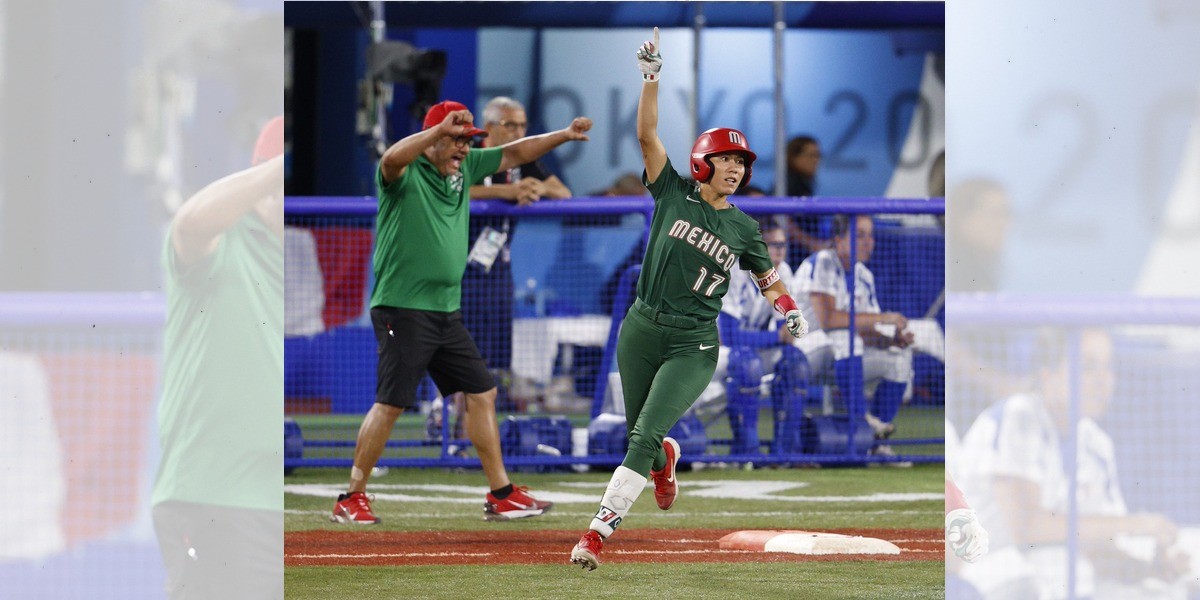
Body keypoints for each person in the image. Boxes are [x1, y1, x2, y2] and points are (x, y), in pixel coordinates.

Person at [569, 28, 809, 571]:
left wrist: (788, 308)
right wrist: (651, 77)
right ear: (704, 161)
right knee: (643, 436)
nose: (737, 169)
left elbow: (767, 279)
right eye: (727, 159)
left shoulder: (746, 228)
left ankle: (596, 536)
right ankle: (665, 461)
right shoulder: (673, 191)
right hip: (641, 328)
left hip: (693, 342)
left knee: (643, 434)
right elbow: (647, 135)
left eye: (742, 163)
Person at [332, 100, 592, 524]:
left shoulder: (464, 169)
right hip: (403, 307)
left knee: (483, 392)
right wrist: (437, 133)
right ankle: (351, 496)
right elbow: (391, 157)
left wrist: (563, 134)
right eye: (456, 141)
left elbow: (515, 153)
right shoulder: (405, 173)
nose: (463, 151)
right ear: (434, 139)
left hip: (445, 311)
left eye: (467, 142)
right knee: (391, 404)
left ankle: (501, 493)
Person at [955, 329, 1192, 599]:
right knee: (1060, 567)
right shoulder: (1019, 415)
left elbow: (1098, 552)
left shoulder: (1096, 443)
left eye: (1108, 367)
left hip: (1052, 574)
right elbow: (1026, 526)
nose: (1103, 380)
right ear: (1048, 375)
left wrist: (1150, 569)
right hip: (985, 570)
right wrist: (1137, 524)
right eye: (1087, 367)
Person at [153, 116, 284, 598]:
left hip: (269, 496)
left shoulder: (283, 258)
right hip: (216, 493)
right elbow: (189, 222)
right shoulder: (221, 242)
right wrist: (276, 170)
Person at [460, 96, 572, 409]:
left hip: (498, 271)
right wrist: (506, 192)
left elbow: (563, 193)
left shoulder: (524, 160)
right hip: (457, 269)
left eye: (523, 125)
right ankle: (445, 421)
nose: (518, 131)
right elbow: (452, 190)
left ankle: (481, 424)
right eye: (511, 125)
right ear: (489, 127)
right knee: (460, 354)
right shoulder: (470, 152)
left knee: (495, 356)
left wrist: (537, 188)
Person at [802, 214, 929, 459]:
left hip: (844, 360)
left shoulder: (864, 276)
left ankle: (877, 441)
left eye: (870, 236)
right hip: (806, 351)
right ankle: (861, 420)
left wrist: (892, 340)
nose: (868, 242)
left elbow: (865, 329)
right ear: (838, 240)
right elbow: (829, 319)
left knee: (898, 357)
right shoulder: (823, 262)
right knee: (844, 337)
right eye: (859, 235)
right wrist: (884, 318)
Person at [781, 134, 828, 265]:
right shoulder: (789, 184)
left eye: (818, 155)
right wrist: (811, 243)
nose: (816, 160)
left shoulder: (804, 184)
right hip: (790, 257)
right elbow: (781, 218)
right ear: (794, 157)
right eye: (811, 155)